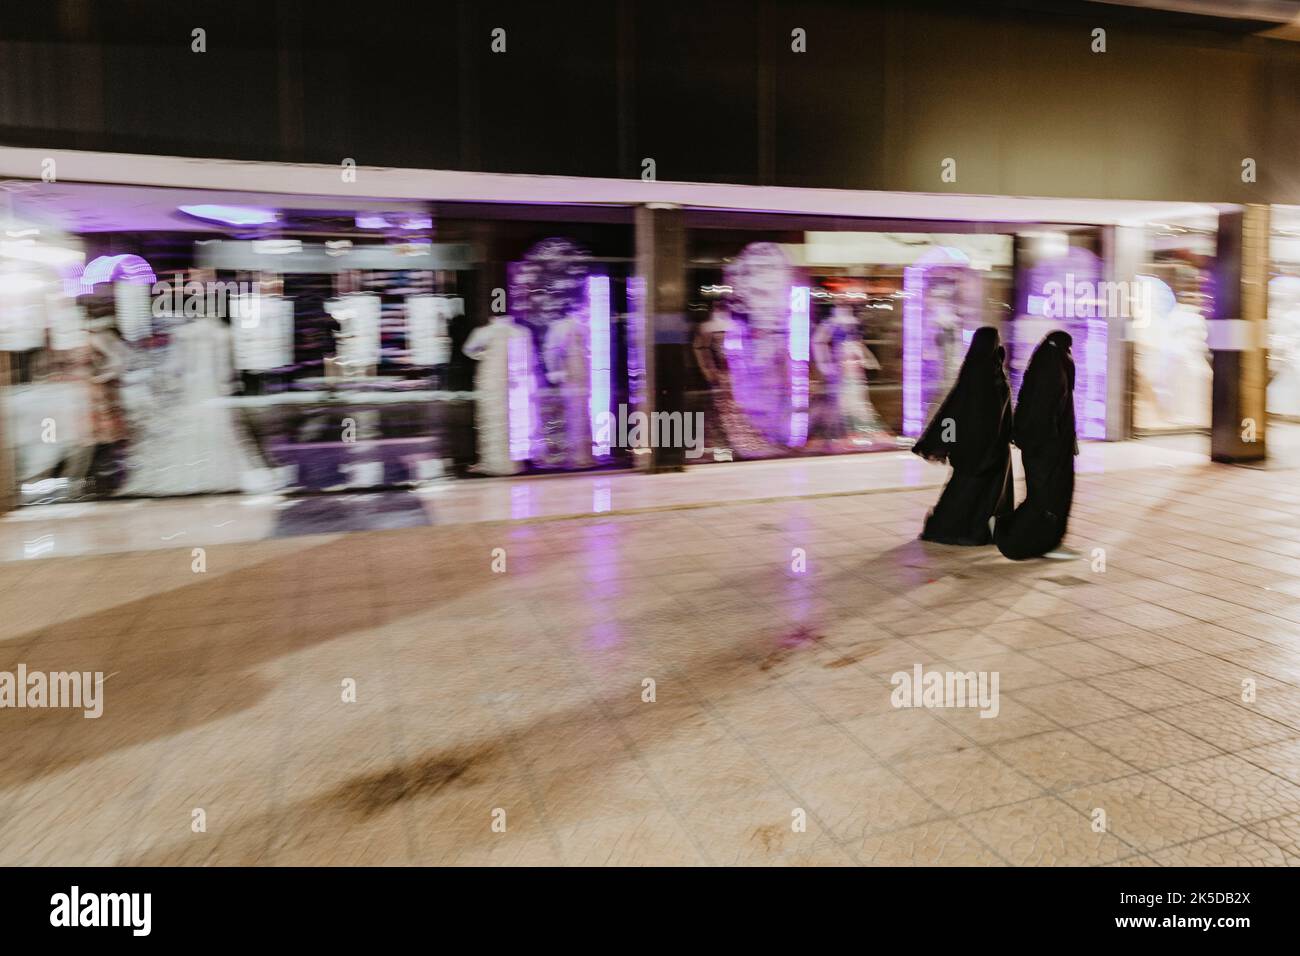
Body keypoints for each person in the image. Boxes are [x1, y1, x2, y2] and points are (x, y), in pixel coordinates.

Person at [913, 326, 1013, 545]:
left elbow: (952, 412)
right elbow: (999, 415)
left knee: (962, 490)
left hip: (969, 448)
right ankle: (974, 529)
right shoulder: (994, 375)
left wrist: (949, 443)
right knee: (985, 492)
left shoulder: (971, 372)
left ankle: (950, 527)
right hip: (991, 447)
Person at [995, 330, 1078, 560]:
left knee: (1047, 497)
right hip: (1044, 449)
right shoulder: (1052, 371)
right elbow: (1044, 414)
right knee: (1044, 499)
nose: (1069, 353)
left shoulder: (1045, 366)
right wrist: (1051, 444)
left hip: (1048, 447)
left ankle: (1043, 540)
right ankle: (1012, 537)